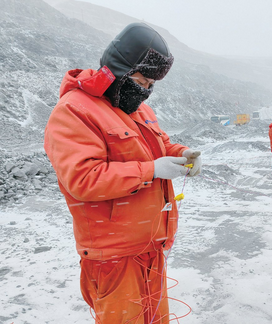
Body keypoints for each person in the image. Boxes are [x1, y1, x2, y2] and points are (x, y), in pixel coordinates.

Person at [44, 23, 202, 324]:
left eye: (150, 85)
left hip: (151, 247)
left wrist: (182, 152)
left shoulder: (136, 109)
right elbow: (83, 179)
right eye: (141, 81)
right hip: (114, 258)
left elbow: (161, 143)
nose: (145, 91)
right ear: (118, 69)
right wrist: (151, 170)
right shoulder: (74, 111)